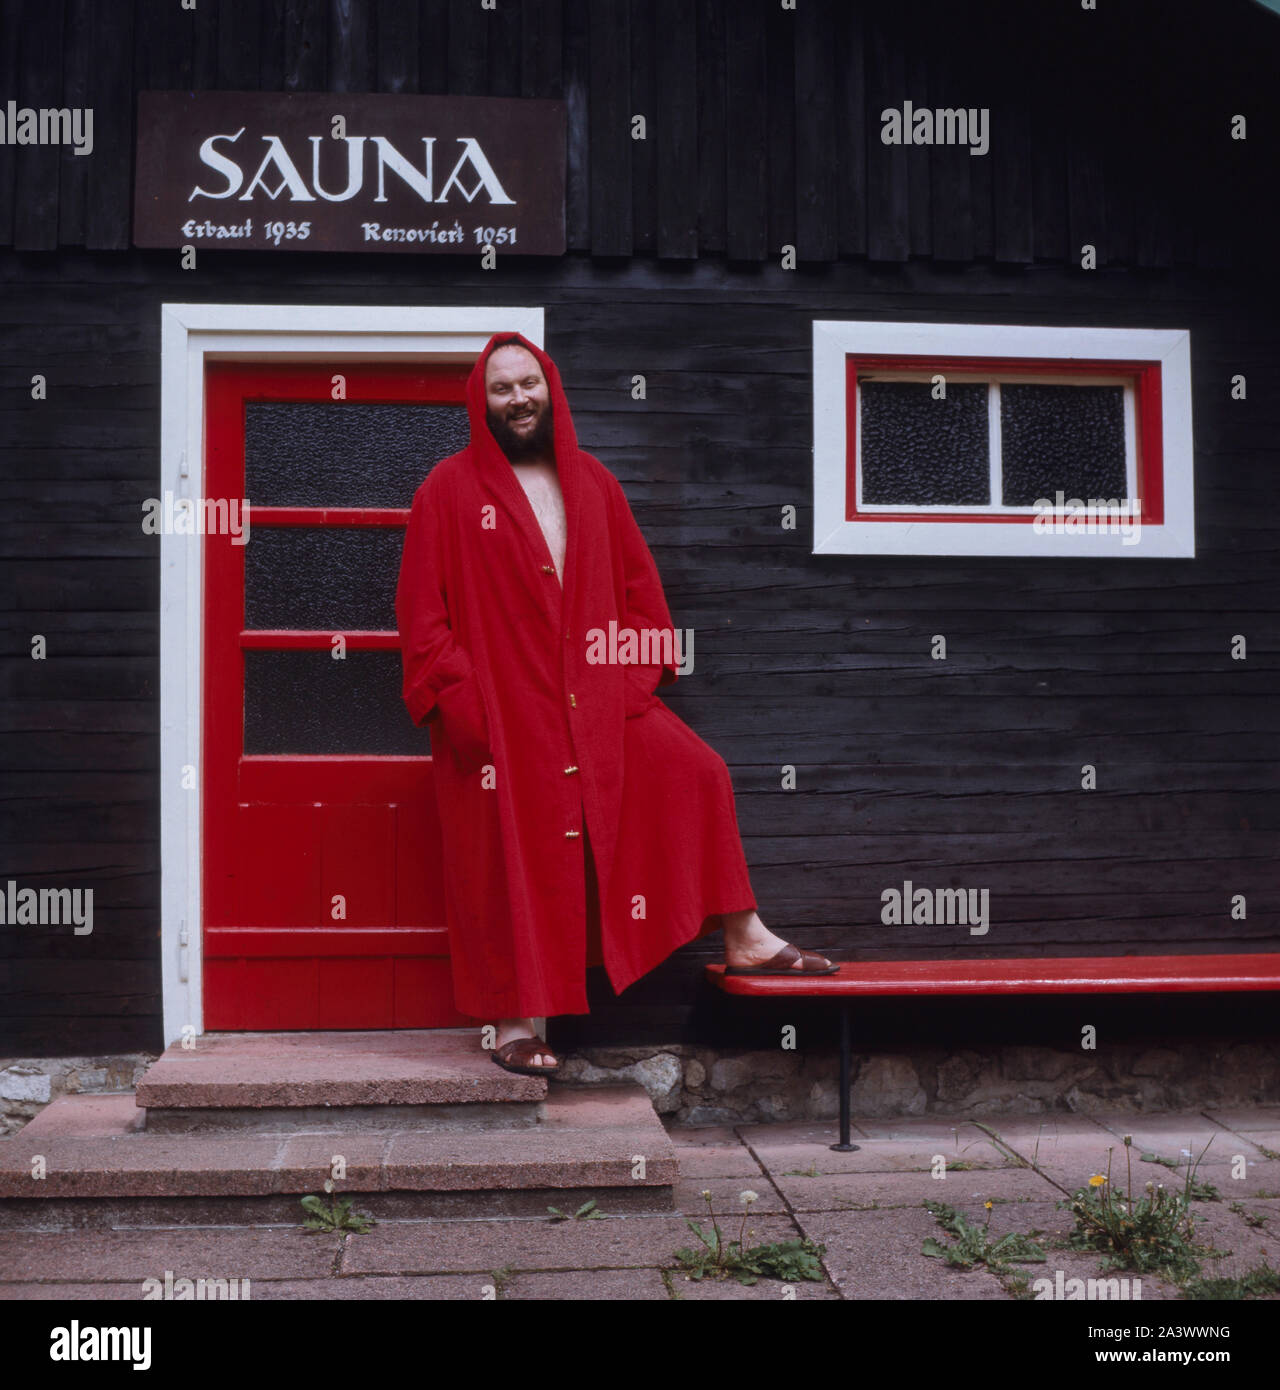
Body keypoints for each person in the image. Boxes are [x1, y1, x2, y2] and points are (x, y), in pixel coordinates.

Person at [395, 332, 835, 1077]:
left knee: (698, 770)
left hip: (597, 703)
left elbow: (645, 606)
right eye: (500, 388)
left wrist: (621, 692)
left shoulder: (594, 484)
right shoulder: (448, 489)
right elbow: (422, 619)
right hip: (503, 715)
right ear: (482, 401)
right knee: (512, 854)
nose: (517, 399)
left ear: (550, 388)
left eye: (527, 383)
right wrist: (469, 709)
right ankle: (516, 1020)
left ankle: (745, 933)